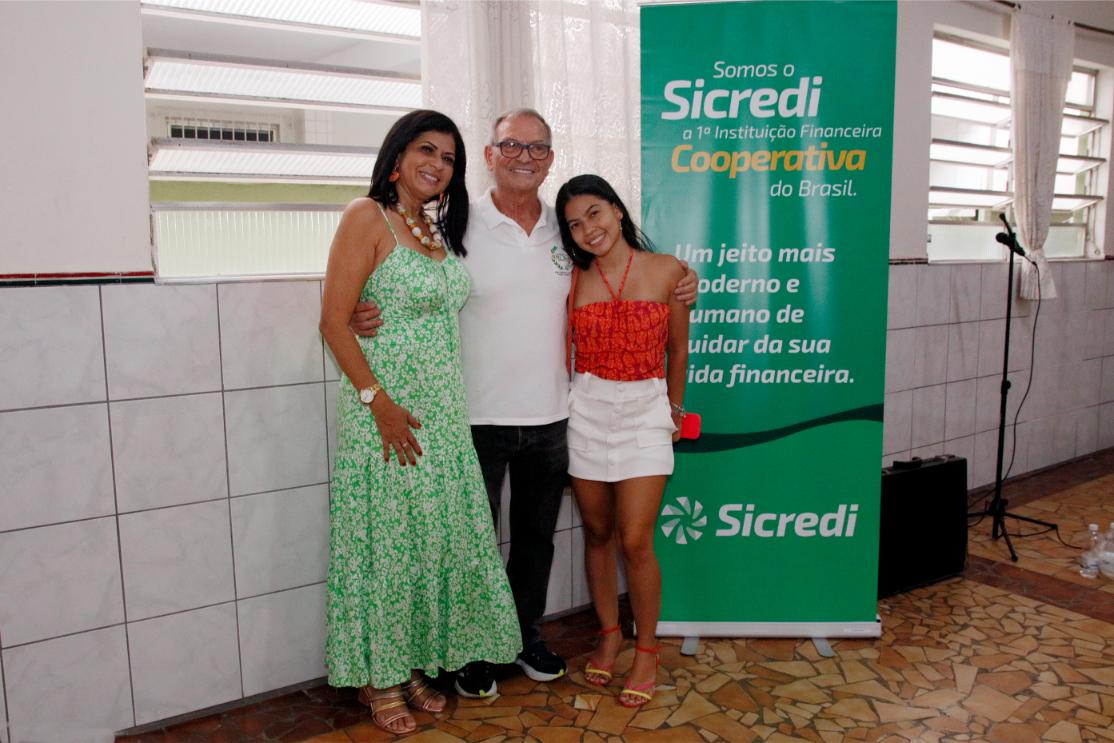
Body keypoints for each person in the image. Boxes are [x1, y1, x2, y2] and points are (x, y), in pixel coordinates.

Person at [350, 109, 697, 698]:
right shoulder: (454, 222)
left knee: (537, 541)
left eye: (537, 148)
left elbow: (627, 278)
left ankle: (523, 636)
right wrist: (363, 309)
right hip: (472, 415)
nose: (523, 157)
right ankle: (474, 651)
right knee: (472, 542)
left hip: (555, 415)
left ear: (550, 159)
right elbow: (403, 274)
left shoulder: (567, 232)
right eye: (511, 145)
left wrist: (683, 280)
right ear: (489, 155)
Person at [319, 109, 521, 734]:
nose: (438, 164)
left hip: (442, 416)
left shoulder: (433, 229)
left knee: (423, 544)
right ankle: (378, 681)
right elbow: (333, 321)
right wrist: (377, 403)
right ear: (398, 157)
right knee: (386, 545)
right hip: (386, 416)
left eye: (449, 158)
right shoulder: (366, 216)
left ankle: (406, 664)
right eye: (427, 150)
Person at [556, 174, 689, 708]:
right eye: (574, 224)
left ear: (616, 209)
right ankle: (609, 635)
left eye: (594, 213)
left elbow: (678, 349)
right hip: (586, 412)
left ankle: (647, 650)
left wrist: (674, 410)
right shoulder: (571, 279)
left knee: (635, 540)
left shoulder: (668, 270)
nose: (588, 229)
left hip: (645, 415)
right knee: (597, 531)